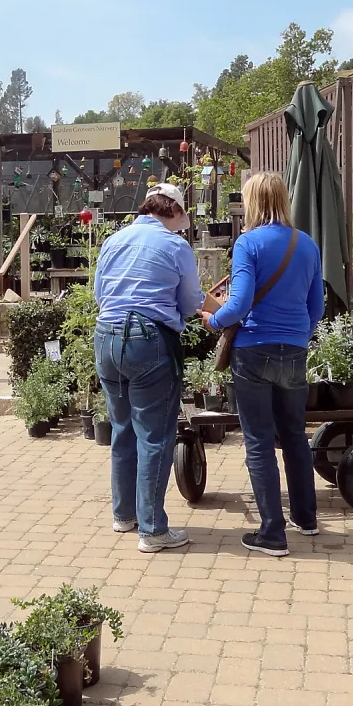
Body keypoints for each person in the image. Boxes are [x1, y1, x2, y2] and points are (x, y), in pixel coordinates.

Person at [201, 172, 324, 557]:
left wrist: (213, 321)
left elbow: (238, 305)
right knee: (294, 436)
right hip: (295, 349)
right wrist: (297, 337)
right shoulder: (307, 244)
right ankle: (307, 518)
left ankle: (272, 532)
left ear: (253, 202)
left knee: (258, 442)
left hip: (253, 350)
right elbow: (316, 307)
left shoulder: (248, 243)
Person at [94, 183, 222, 553]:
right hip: (148, 339)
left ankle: (125, 515)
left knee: (122, 429)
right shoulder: (175, 245)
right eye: (184, 218)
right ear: (176, 213)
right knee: (155, 436)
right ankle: (152, 531)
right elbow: (188, 304)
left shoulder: (114, 241)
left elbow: (102, 295)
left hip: (106, 338)